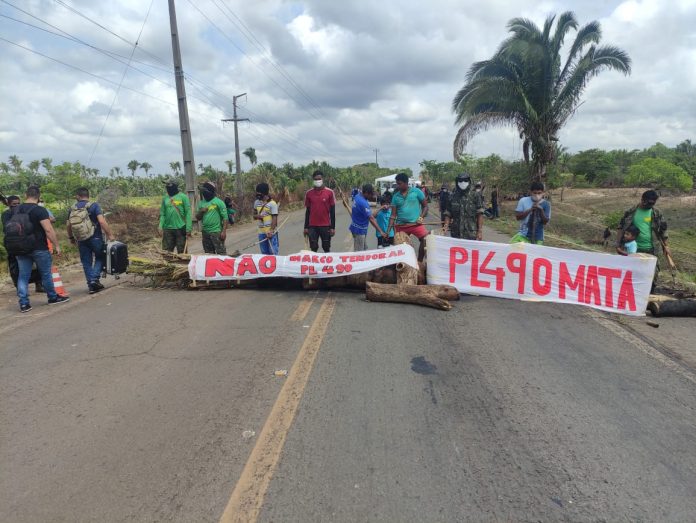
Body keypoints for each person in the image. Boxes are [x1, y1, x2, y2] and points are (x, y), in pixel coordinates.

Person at [5, 186, 69, 312]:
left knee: (23, 276)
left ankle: (24, 304)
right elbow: (48, 229)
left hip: (20, 248)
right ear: (38, 196)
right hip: (39, 248)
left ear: (25, 195)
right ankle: (52, 297)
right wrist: (56, 245)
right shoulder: (40, 210)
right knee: (46, 273)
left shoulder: (16, 210)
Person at [616, 189, 670, 290]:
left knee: (652, 275)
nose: (650, 205)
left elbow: (663, 230)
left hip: (652, 249)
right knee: (631, 274)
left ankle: (649, 297)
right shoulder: (631, 211)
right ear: (643, 199)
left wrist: (666, 246)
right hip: (633, 249)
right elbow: (621, 227)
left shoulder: (656, 213)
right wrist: (618, 244)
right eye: (648, 203)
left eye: (653, 203)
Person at [67, 187, 115, 294]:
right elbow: (102, 222)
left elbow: (68, 225)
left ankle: (91, 285)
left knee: (86, 262)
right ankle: (94, 280)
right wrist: (110, 235)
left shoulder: (72, 208)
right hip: (95, 237)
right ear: (88, 196)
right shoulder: (94, 206)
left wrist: (71, 238)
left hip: (81, 239)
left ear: (78, 196)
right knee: (100, 257)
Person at [386, 173, 428, 261]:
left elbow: (425, 206)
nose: (397, 185)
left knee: (426, 240)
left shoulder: (417, 192)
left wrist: (421, 217)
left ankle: (419, 261)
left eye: (399, 183)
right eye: (397, 183)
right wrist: (388, 231)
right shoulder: (395, 196)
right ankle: (405, 264)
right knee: (400, 247)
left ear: (406, 183)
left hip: (416, 224)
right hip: (401, 226)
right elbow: (393, 215)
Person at [443, 173, 485, 240]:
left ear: (469, 181)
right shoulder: (452, 196)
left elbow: (480, 214)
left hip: (471, 234)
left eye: (465, 180)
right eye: (460, 181)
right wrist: (445, 227)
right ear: (457, 182)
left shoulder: (475, 196)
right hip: (456, 234)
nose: (463, 182)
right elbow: (448, 213)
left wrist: (480, 231)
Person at [304, 170, 335, 252]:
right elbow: (308, 211)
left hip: (325, 226)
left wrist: (332, 227)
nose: (318, 181)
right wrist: (306, 227)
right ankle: (314, 265)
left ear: (322, 179)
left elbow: (332, 212)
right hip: (312, 226)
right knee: (313, 248)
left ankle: (327, 264)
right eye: (316, 179)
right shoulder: (309, 193)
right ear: (313, 180)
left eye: (319, 179)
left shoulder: (330, 192)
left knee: (326, 247)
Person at [349, 183, 386, 251]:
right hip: (359, 231)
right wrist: (381, 231)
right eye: (370, 194)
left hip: (356, 227)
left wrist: (381, 208)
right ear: (366, 192)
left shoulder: (357, 196)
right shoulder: (363, 203)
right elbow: (371, 218)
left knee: (364, 249)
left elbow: (370, 215)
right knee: (359, 253)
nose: (371, 196)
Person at [158, 181, 192, 253]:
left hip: (180, 228)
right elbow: (162, 214)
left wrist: (188, 228)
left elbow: (188, 213)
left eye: (170, 187)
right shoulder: (165, 198)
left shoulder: (183, 197)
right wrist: (160, 226)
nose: (168, 189)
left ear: (175, 187)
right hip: (167, 229)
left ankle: (181, 264)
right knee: (166, 253)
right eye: (167, 187)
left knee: (182, 253)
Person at [195, 181, 228, 255]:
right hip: (205, 232)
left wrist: (224, 231)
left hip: (216, 232)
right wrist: (201, 211)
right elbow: (198, 218)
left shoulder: (219, 202)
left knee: (221, 253)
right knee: (208, 255)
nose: (204, 193)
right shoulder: (201, 203)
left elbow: (225, 218)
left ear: (210, 191)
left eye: (205, 191)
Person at [253, 183, 279, 255]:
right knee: (264, 254)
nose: (257, 194)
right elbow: (254, 215)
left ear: (264, 193)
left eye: (259, 193)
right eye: (257, 192)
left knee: (273, 253)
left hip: (271, 233)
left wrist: (271, 231)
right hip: (261, 233)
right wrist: (258, 216)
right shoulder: (256, 202)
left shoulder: (272, 204)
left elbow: (274, 218)